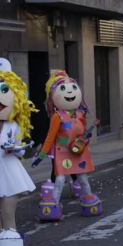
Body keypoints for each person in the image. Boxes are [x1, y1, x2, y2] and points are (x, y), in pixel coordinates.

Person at [32, 70, 102, 220]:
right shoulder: (57, 117)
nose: (70, 91)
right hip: (62, 152)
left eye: (73, 88)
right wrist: (42, 154)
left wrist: (86, 138)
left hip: (79, 151)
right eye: (63, 88)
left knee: (83, 178)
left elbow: (82, 132)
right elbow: (50, 137)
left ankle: (89, 199)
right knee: (60, 179)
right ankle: (55, 203)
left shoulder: (80, 114)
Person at [0, 58, 37, 246]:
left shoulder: (13, 125)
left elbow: (21, 147)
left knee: (8, 213)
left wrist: (17, 148)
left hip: (9, 172)